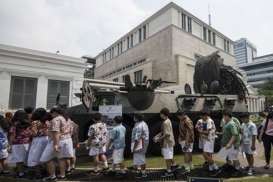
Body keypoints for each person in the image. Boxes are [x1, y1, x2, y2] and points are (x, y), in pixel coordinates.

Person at [40, 107, 74, 181]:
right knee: (61, 158)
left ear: (55, 112)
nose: (51, 115)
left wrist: (56, 144)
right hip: (67, 139)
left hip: (57, 140)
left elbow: (56, 132)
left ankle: (53, 176)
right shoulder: (66, 119)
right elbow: (71, 131)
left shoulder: (56, 120)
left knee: (46, 159)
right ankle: (62, 176)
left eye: (51, 113)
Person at [8, 110, 32, 177]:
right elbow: (31, 134)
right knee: (26, 159)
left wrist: (9, 145)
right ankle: (28, 172)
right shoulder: (29, 124)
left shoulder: (15, 125)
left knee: (18, 160)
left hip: (17, 144)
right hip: (27, 143)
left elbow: (12, 135)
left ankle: (21, 173)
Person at [27, 108, 49, 178]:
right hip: (46, 139)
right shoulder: (47, 121)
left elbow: (34, 133)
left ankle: (38, 174)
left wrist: (29, 132)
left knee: (35, 156)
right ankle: (47, 172)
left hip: (37, 140)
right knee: (45, 156)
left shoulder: (35, 122)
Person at [155, 108, 176, 177]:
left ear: (163, 114)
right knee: (169, 156)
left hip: (167, 143)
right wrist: (158, 135)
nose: (160, 115)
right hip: (169, 142)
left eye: (161, 114)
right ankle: (173, 166)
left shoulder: (165, 122)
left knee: (167, 158)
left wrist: (158, 139)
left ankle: (169, 172)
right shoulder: (168, 120)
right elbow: (164, 132)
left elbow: (167, 134)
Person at [131, 114, 149, 178]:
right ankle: (139, 170)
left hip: (140, 144)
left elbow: (137, 138)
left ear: (137, 118)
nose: (133, 118)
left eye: (134, 117)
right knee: (139, 158)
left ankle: (143, 173)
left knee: (141, 159)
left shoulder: (139, 126)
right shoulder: (142, 123)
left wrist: (134, 148)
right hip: (141, 143)